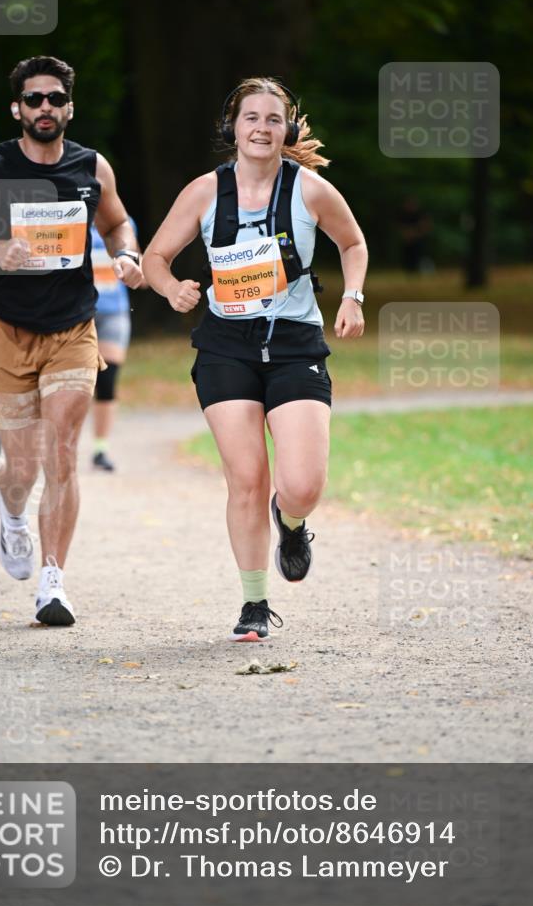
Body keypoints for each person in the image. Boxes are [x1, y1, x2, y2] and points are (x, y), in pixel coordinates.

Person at [134, 77, 367, 641]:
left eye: (273, 118)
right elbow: (155, 258)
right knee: (245, 478)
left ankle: (291, 523)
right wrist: (171, 290)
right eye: (250, 118)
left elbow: (352, 243)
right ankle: (255, 604)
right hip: (226, 345)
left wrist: (353, 296)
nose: (262, 128)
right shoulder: (205, 192)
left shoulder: (311, 189)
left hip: (293, 343)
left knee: (303, 484)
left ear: (286, 129)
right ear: (232, 128)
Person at [0, 56, 144, 625]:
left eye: (55, 98)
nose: (45, 108)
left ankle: (53, 582)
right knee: (22, 467)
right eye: (35, 99)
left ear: (69, 107)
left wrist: (126, 254)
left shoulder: (91, 166)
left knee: (61, 454)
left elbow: (117, 222)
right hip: (7, 330)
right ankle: (11, 515)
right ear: (18, 109)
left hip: (73, 330)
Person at [89, 219, 144, 471]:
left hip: (113, 311)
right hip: (78, 312)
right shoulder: (65, 215)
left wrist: (141, 271)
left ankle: (101, 448)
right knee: (76, 383)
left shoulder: (123, 223)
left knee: (106, 379)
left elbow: (137, 262)